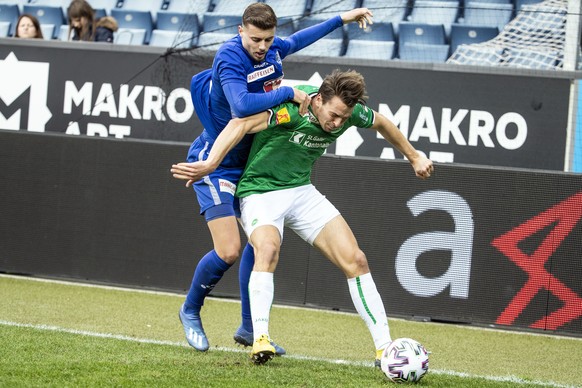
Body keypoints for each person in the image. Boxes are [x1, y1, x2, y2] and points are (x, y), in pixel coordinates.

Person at [171, 69, 434, 365]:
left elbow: (383, 123)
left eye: (344, 119)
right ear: (318, 99)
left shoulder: (349, 112)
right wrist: (210, 163)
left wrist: (414, 156)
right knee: (267, 249)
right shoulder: (292, 109)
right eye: (334, 115)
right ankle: (260, 338)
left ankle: (384, 349)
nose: (337, 124)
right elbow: (241, 123)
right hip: (260, 190)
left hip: (300, 191)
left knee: (356, 260)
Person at [179, 2, 374, 355]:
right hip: (216, 159)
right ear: (241, 32)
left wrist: (343, 18)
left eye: (268, 39)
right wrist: (289, 92)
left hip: (249, 163)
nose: (263, 46)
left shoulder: (272, 49)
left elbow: (301, 38)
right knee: (229, 250)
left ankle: (249, 329)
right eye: (256, 39)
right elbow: (239, 106)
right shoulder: (230, 58)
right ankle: (191, 309)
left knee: (260, 242)